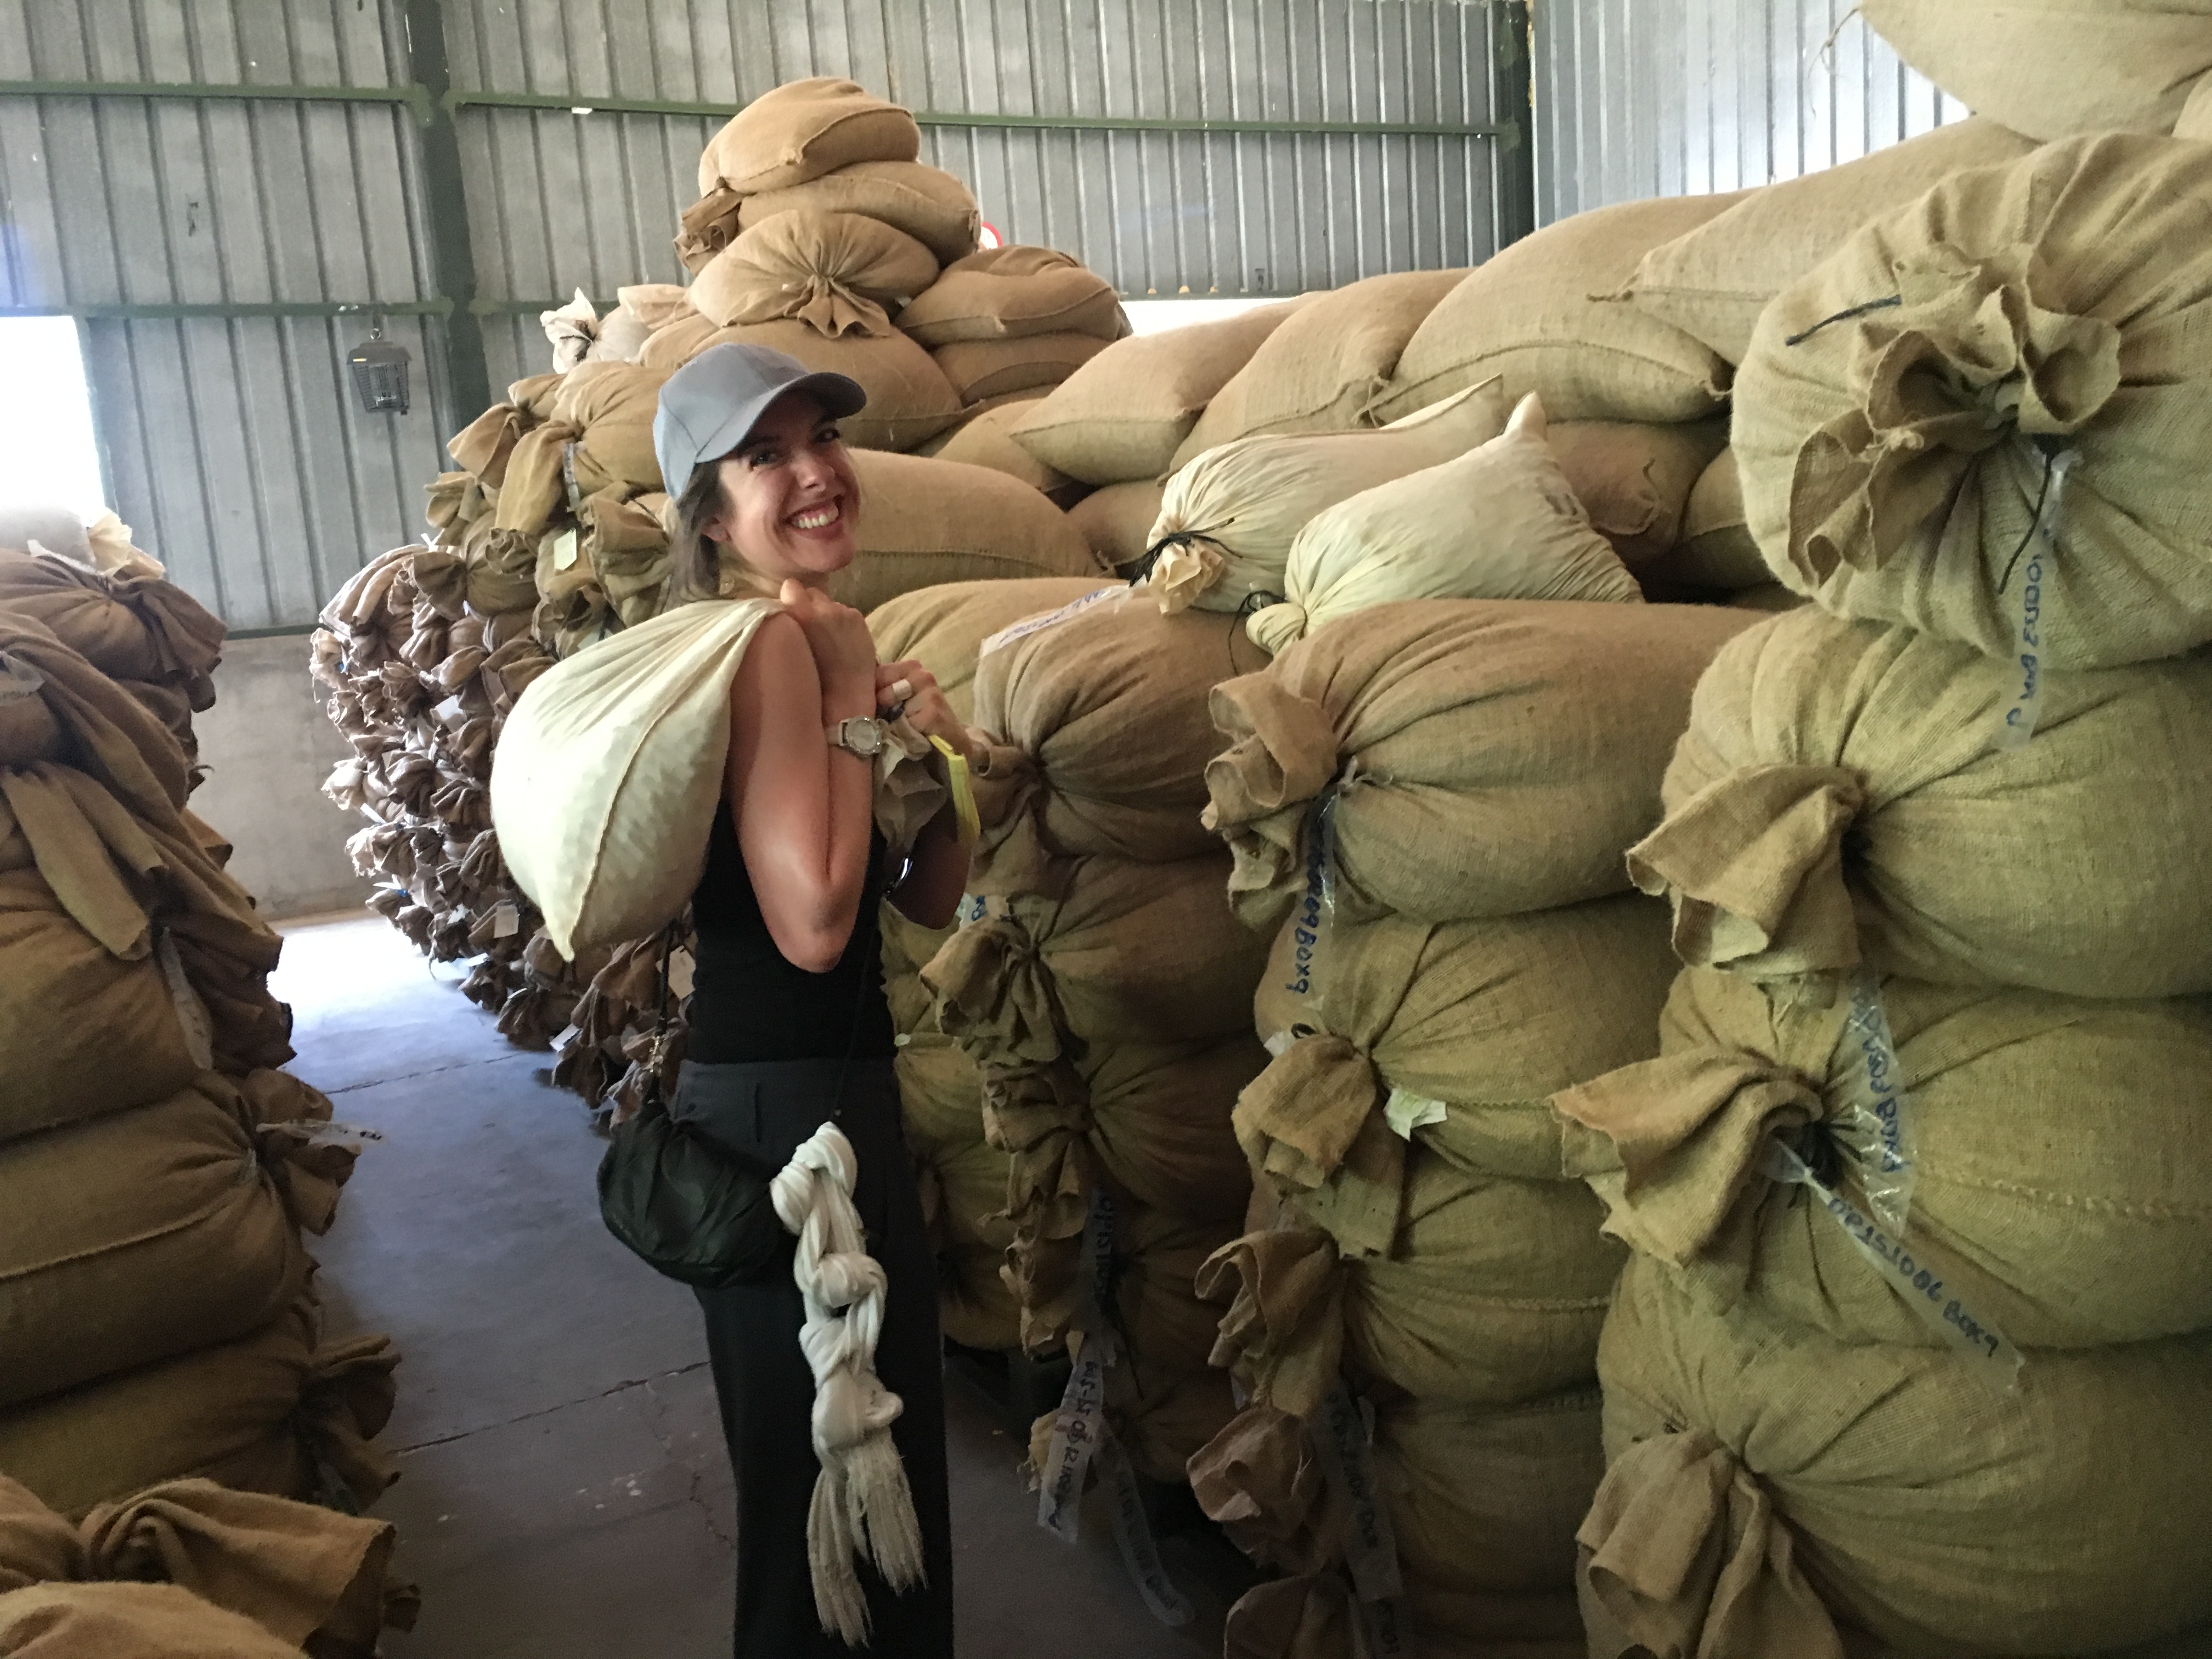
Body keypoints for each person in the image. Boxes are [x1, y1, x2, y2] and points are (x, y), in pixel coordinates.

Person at [651, 343, 967, 1656]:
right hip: (789, 1131)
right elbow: (819, 926)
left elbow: (927, 897)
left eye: (821, 439)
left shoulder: (815, 638)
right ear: (711, 519)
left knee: (875, 1481)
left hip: (828, 1098)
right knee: (824, 1506)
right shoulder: (773, 649)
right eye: (765, 456)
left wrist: (926, 756)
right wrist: (843, 692)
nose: (815, 472)